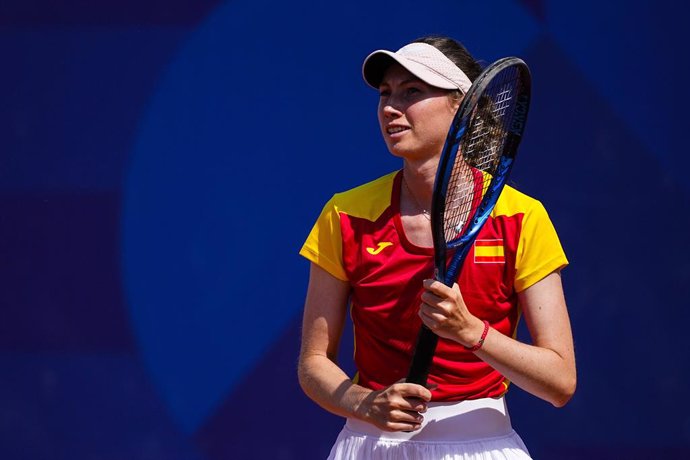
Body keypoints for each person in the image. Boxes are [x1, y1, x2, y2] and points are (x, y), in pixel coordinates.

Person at [297, 35, 576, 459]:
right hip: (370, 443)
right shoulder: (345, 215)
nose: (391, 107)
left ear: (462, 105)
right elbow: (313, 362)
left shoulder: (523, 218)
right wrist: (364, 403)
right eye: (386, 93)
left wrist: (472, 332)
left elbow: (559, 382)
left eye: (413, 92)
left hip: (481, 444)